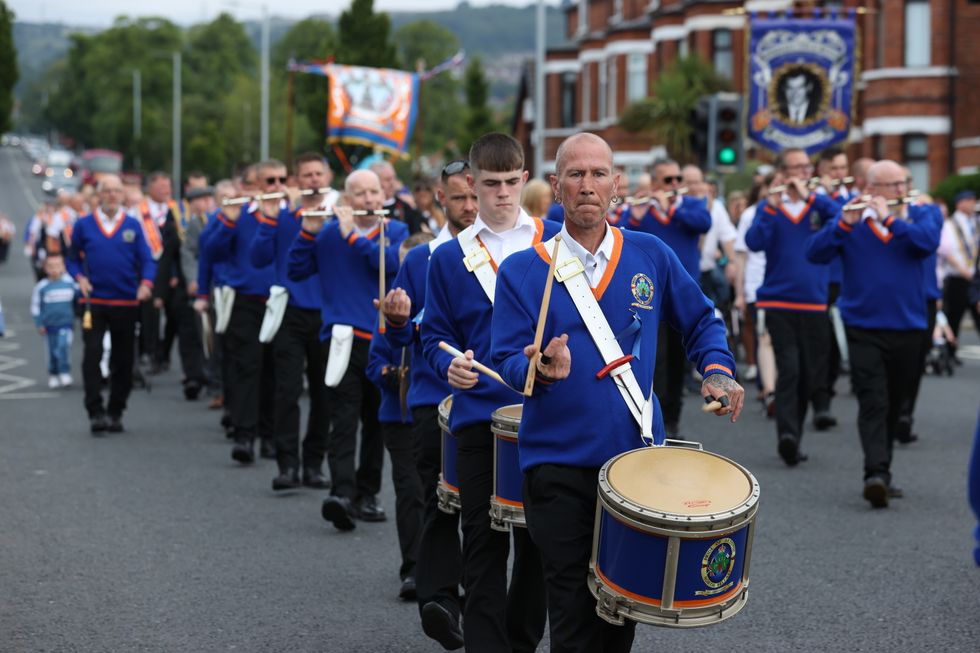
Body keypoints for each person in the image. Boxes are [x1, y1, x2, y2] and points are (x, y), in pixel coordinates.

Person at [490, 132, 743, 652]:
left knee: (618, 614)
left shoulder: (651, 254)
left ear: (617, 185)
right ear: (556, 187)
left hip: (633, 469)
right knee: (572, 610)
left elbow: (701, 322)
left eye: (599, 174)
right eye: (576, 175)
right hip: (555, 465)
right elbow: (507, 361)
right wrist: (538, 367)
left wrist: (717, 370)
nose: (588, 185)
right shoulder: (521, 270)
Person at [422, 132, 552, 653]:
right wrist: (448, 364)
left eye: (511, 182)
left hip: (544, 414)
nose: (502, 194)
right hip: (479, 414)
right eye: (491, 184)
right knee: (483, 543)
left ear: (524, 179)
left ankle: (520, 642)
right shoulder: (449, 259)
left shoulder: (554, 238)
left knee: (539, 545)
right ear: (470, 185)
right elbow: (432, 337)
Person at [379, 159, 476, 649]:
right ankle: (440, 597)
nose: (470, 205)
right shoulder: (421, 259)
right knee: (438, 497)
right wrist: (397, 321)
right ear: (441, 198)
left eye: (476, 195)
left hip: (489, 400)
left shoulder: (517, 252)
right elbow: (400, 330)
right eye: (460, 196)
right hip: (430, 396)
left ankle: (480, 600)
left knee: (488, 508)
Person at [806, 159, 941, 507]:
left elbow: (927, 243)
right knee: (872, 399)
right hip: (862, 325)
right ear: (871, 189)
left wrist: (890, 218)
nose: (901, 190)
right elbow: (815, 253)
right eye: (892, 185)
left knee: (896, 402)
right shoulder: (851, 219)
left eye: (903, 183)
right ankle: (875, 474)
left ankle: (884, 469)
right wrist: (843, 226)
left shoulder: (922, 213)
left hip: (909, 325)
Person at [289, 169, 408, 529]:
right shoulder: (328, 234)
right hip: (341, 337)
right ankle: (340, 492)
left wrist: (353, 236)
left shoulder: (396, 231)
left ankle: (367, 493)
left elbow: (388, 265)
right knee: (343, 416)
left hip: (383, 340)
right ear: (347, 198)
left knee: (376, 419)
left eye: (374, 192)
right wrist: (308, 230)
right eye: (361, 194)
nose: (370, 199)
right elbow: (295, 270)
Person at [745, 148, 840, 466]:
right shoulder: (768, 205)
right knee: (790, 368)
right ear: (783, 173)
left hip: (814, 301)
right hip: (778, 299)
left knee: (810, 375)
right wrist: (771, 207)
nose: (802, 172)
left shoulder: (820, 203)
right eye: (795, 168)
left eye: (806, 167)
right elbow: (754, 241)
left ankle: (795, 435)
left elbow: (841, 219)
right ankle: (786, 435)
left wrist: (811, 197)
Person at [250, 153, 333, 491]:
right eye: (306, 175)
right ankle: (287, 465)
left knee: (323, 393)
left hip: (327, 314)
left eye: (318, 173)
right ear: (296, 181)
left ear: (326, 177)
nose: (313, 179)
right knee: (287, 390)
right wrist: (268, 219)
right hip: (290, 312)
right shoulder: (283, 216)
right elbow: (257, 258)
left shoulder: (338, 216)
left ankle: (313, 464)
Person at [367, 233, 433, 601]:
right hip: (399, 416)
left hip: (433, 413)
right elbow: (374, 363)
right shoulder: (389, 312)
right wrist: (392, 375)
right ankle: (412, 568)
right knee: (410, 492)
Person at [625, 158, 712, 438]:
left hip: (683, 298)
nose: (675, 185)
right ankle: (651, 419)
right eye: (667, 181)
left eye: (678, 179)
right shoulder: (643, 210)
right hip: (649, 300)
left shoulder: (691, 206)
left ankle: (673, 421)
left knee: (677, 362)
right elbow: (623, 237)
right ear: (654, 183)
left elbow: (704, 223)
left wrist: (670, 207)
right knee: (655, 362)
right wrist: (637, 215)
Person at [67, 174, 156, 433]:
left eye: (117, 191)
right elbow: (72, 259)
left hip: (126, 301)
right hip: (94, 301)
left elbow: (148, 260)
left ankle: (116, 409)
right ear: (99, 194)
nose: (113, 195)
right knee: (92, 356)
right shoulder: (84, 225)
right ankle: (95, 411)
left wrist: (146, 284)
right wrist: (80, 278)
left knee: (123, 359)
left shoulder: (133, 225)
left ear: (123, 195)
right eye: (108, 191)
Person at [204, 161, 279, 464]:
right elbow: (210, 252)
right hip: (245, 300)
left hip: (279, 302)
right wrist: (227, 222)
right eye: (269, 180)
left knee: (275, 372)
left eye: (281, 179)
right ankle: (245, 436)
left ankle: (270, 437)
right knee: (247, 368)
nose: (277, 185)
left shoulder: (288, 214)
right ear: (251, 186)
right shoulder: (235, 213)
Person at [939, 190, 979, 362]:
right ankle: (950, 352)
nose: (972, 203)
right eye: (969, 200)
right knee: (954, 315)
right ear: (959, 203)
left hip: (975, 278)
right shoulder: (949, 224)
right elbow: (946, 251)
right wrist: (962, 270)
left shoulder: (975, 222)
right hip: (957, 277)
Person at [31, 254, 78, 388]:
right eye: (51, 266)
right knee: (51, 351)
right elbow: (35, 306)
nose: (55, 269)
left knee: (63, 347)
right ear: (45, 268)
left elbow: (79, 300)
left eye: (58, 266)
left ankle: (64, 372)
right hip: (49, 326)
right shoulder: (41, 287)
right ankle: (53, 373)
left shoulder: (70, 284)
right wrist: (39, 323)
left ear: (63, 267)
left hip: (66, 324)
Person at [371, 160, 424, 234]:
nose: (392, 183)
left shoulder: (405, 205)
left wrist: (415, 208)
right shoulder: (369, 207)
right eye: (387, 179)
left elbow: (417, 233)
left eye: (394, 178)